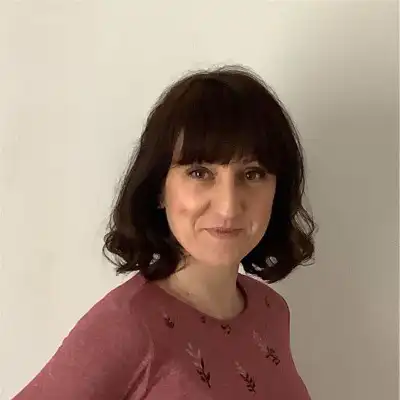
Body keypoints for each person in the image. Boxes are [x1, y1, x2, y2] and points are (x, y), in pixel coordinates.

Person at [13, 65, 316, 399]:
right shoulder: (128, 326)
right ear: (159, 188)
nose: (229, 206)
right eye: (200, 173)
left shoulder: (270, 311)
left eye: (253, 174)